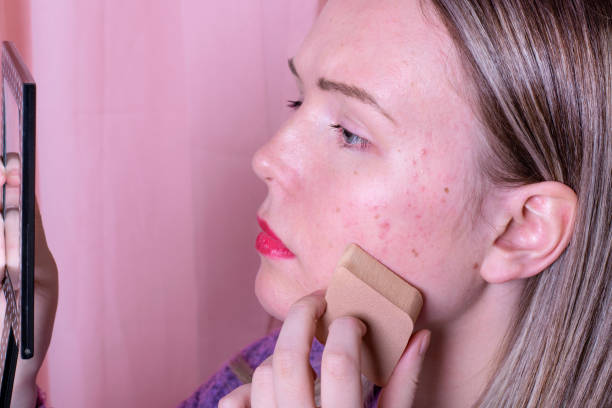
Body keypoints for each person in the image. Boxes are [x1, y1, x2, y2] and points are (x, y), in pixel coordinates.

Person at [11, 0, 611, 407]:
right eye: (300, 102)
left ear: (520, 228)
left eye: (351, 132)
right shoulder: (282, 371)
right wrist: (15, 380)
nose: (267, 157)